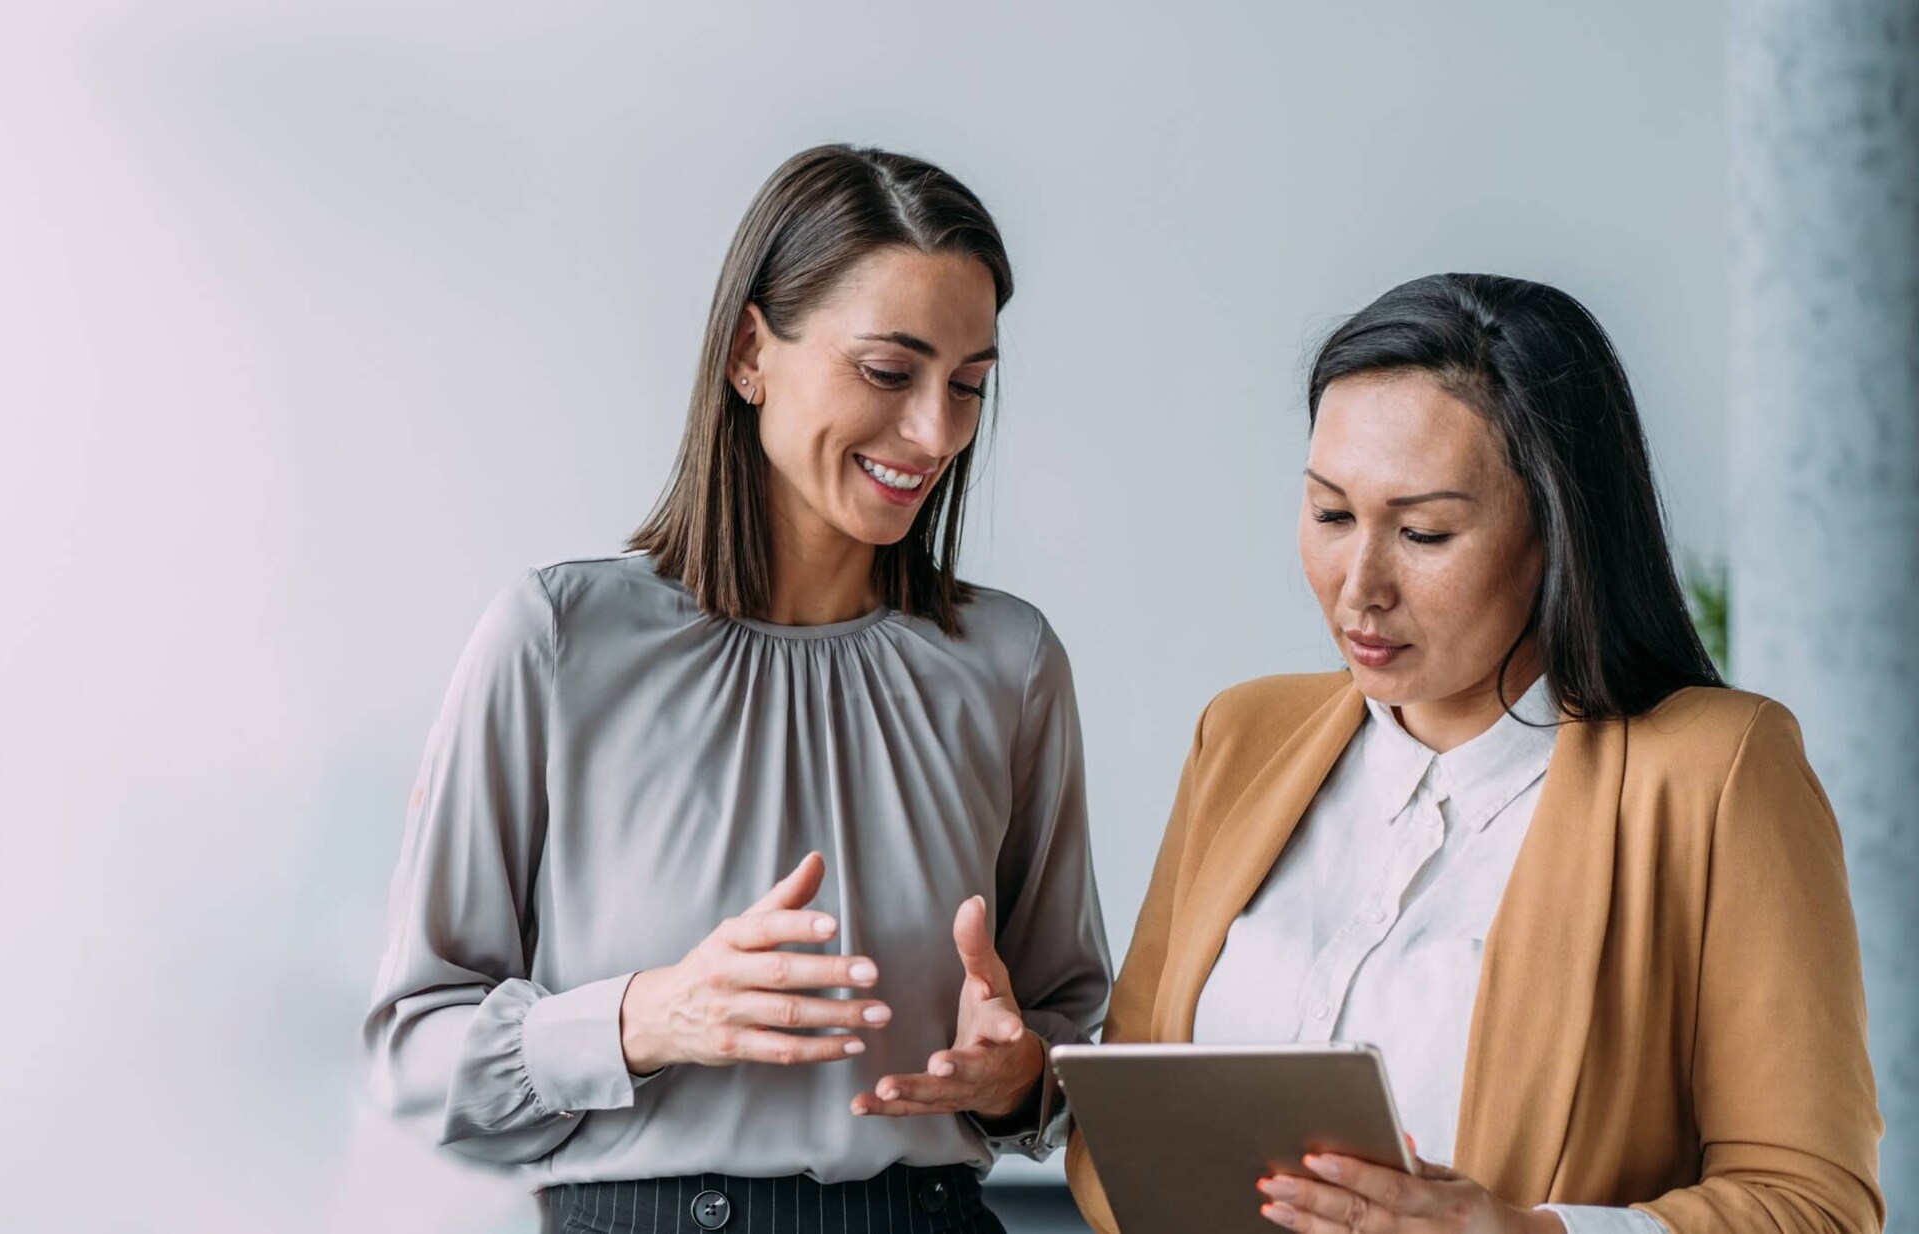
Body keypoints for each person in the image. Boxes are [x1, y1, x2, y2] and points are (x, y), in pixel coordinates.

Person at [364, 144, 1111, 1233]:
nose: (937, 433)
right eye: (889, 373)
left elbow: (1078, 1038)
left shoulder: (1010, 664)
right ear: (750, 351)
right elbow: (413, 1052)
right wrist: (642, 1017)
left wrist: (1022, 1078)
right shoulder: (559, 641)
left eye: (968, 386)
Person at [1066, 273, 1883, 1234]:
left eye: (1424, 532)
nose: (1359, 588)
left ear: (1557, 532)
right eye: (1331, 514)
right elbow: (1120, 1124)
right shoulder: (1243, 737)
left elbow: (1814, 1202)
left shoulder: (1716, 772)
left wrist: (1525, 1233)